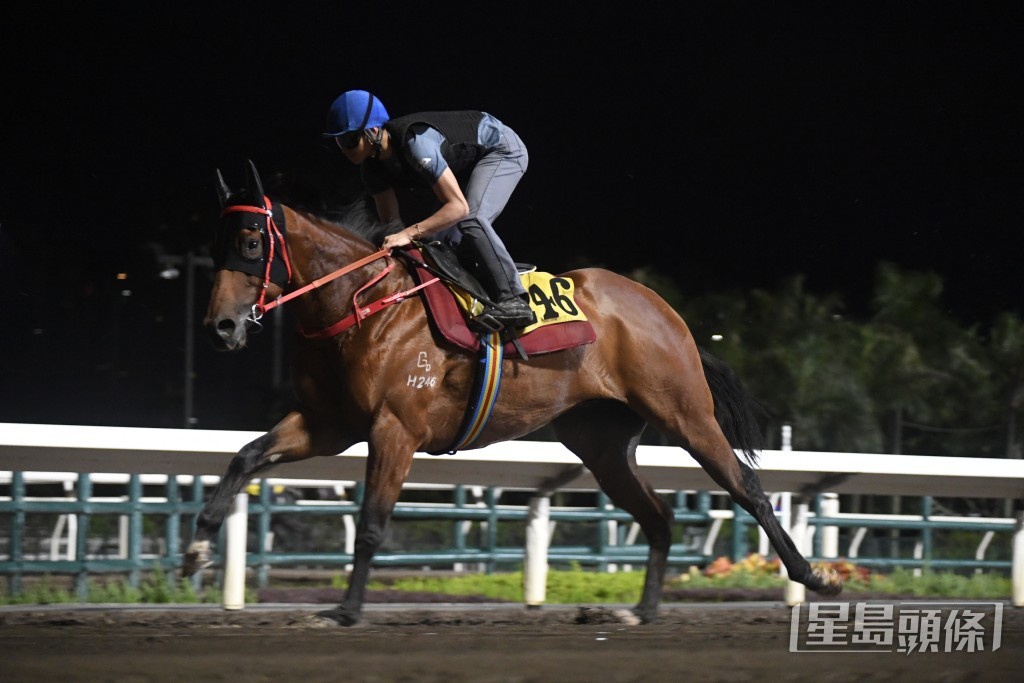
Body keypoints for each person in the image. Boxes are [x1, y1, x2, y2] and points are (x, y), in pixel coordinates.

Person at [322, 89, 535, 330]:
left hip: (501, 150)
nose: (344, 149)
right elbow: (392, 226)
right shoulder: (370, 169)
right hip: (464, 170)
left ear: (372, 132)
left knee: (472, 220)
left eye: (349, 140)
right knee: (434, 243)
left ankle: (513, 300)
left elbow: (457, 208)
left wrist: (408, 233)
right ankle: (481, 292)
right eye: (339, 142)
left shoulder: (416, 143)